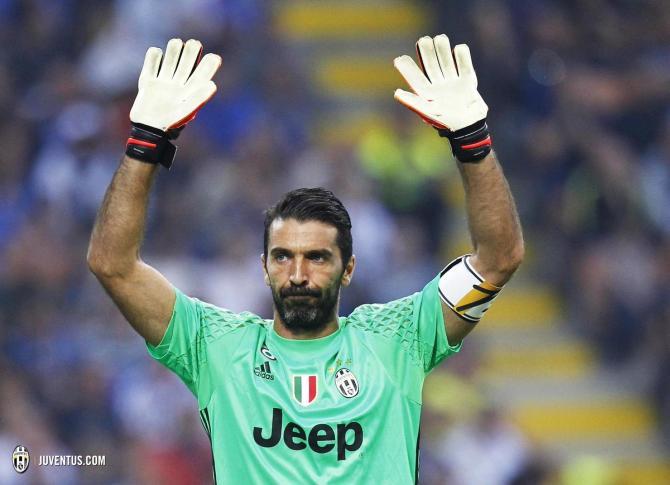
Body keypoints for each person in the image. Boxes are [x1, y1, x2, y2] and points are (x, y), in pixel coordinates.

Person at [87, 34, 524, 484]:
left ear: (348, 269)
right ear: (263, 267)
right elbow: (111, 264)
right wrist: (145, 141)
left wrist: (472, 139)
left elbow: (498, 259)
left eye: (317, 257)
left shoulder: (399, 339)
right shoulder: (216, 347)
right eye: (283, 257)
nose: (298, 273)